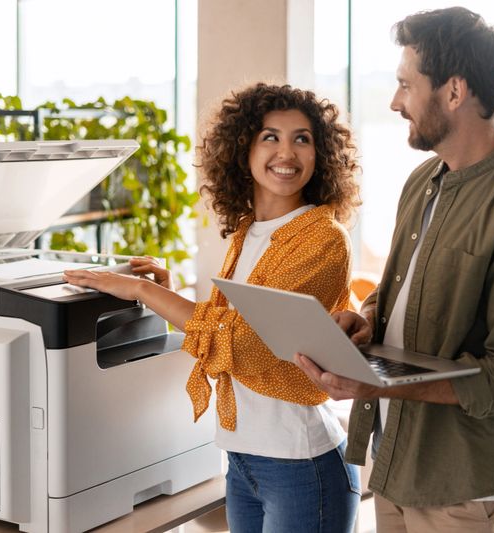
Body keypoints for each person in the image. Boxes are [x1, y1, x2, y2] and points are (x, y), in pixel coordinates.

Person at [294, 7, 494, 533]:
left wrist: (376, 387)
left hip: (464, 491)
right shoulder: (425, 179)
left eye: (407, 84)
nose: (395, 101)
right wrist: (366, 319)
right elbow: (399, 294)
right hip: (396, 464)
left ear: (454, 92)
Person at [64, 83, 362, 533]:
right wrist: (169, 296)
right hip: (243, 459)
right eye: (271, 137)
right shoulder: (248, 231)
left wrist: (143, 292)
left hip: (301, 463)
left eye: (303, 138)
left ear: (321, 154)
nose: (288, 152)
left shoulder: (322, 237)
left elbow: (248, 343)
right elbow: (233, 322)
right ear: (243, 148)